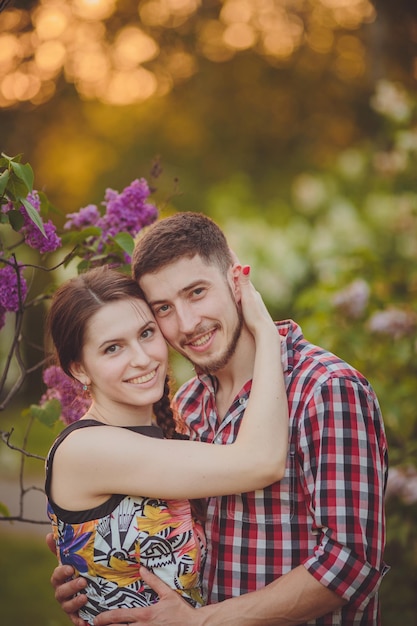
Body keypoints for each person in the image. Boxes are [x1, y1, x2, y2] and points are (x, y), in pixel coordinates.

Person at [50, 212, 389, 626]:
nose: (187, 324)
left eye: (196, 292)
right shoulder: (188, 403)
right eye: (164, 309)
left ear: (236, 280)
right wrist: (90, 567)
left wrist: (204, 621)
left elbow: (351, 564)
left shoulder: (326, 389)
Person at [44, 264, 288, 626]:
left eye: (146, 333)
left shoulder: (167, 429)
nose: (142, 358)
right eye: (113, 348)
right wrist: (266, 331)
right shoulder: (88, 448)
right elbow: (261, 462)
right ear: (80, 369)